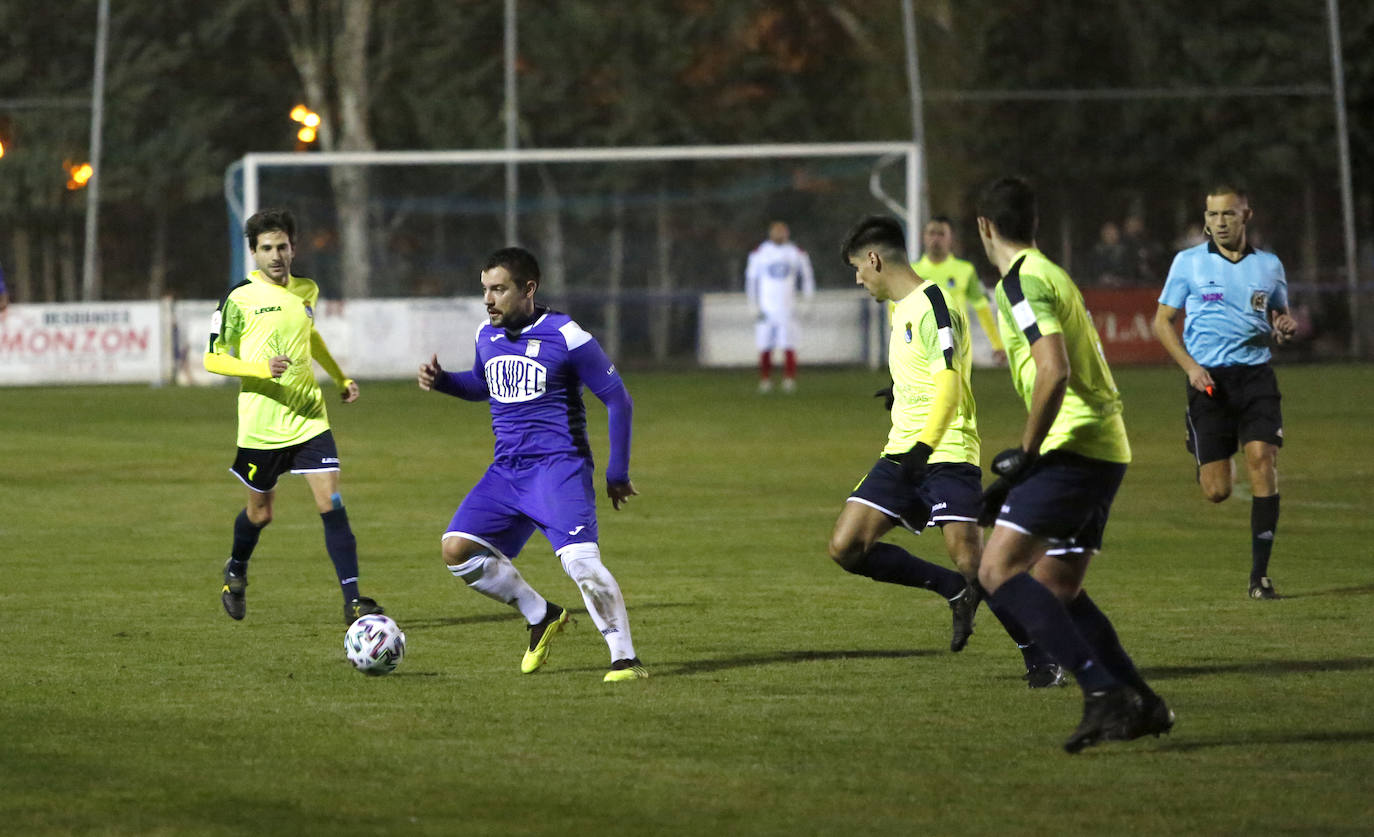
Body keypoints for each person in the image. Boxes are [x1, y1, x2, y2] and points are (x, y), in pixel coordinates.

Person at [974, 177, 1171, 753]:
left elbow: (1054, 368)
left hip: (1072, 445)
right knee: (1055, 585)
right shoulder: (1051, 271)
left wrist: (1027, 455)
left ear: (985, 227)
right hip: (1103, 444)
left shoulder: (1019, 282)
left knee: (996, 573)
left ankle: (1101, 692)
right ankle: (1143, 704)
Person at [832, 216, 1062, 684]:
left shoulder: (935, 302)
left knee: (976, 562)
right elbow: (924, 369)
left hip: (947, 449)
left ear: (875, 259)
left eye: (858, 268)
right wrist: (898, 389)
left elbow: (951, 383)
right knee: (846, 547)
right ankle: (952, 590)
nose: (859, 279)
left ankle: (1042, 657)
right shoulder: (898, 309)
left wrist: (924, 446)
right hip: (903, 449)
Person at [417, 246, 647, 683]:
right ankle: (540, 613)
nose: (488, 299)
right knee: (456, 549)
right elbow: (484, 384)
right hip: (506, 472)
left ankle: (625, 659)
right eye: (484, 289)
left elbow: (618, 399)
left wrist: (617, 473)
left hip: (558, 468)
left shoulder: (567, 335)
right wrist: (445, 381)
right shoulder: (487, 334)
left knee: (581, 564)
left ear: (528, 289)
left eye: (498, 289)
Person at [204, 208, 384, 626]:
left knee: (331, 503)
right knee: (261, 513)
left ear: (293, 247)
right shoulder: (237, 297)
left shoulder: (307, 290)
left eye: (282, 246)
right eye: (266, 248)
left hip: (309, 419)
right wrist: (259, 369)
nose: (276, 255)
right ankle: (236, 568)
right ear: (253, 252)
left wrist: (340, 377)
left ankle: (354, 601)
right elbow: (212, 359)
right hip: (261, 427)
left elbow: (310, 335)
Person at [1152, 185, 1297, 599]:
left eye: (1228, 215)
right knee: (1217, 491)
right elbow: (1162, 322)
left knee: (1261, 458)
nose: (1220, 222)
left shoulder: (1269, 266)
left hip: (1255, 377)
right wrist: (1191, 368)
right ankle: (1196, 438)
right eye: (1213, 215)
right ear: (1205, 219)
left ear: (1246, 216)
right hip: (1208, 381)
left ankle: (1259, 576)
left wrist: (1284, 329)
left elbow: (1279, 318)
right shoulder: (1188, 263)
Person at [912, 215, 1005, 364]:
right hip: (921, 347)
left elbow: (982, 308)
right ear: (923, 237)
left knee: (955, 387)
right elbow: (896, 307)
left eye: (941, 234)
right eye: (931, 233)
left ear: (951, 239)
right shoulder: (912, 272)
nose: (936, 239)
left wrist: (997, 344)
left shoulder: (965, 270)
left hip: (957, 346)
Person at [745, 220, 815, 393]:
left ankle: (789, 379)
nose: (779, 234)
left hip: (788, 308)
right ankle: (765, 379)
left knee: (789, 344)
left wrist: (807, 301)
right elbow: (751, 280)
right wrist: (752, 304)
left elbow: (807, 277)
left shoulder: (795, 253)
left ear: (787, 233)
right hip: (766, 308)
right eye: (776, 231)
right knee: (764, 345)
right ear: (770, 233)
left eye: (782, 231)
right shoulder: (760, 253)